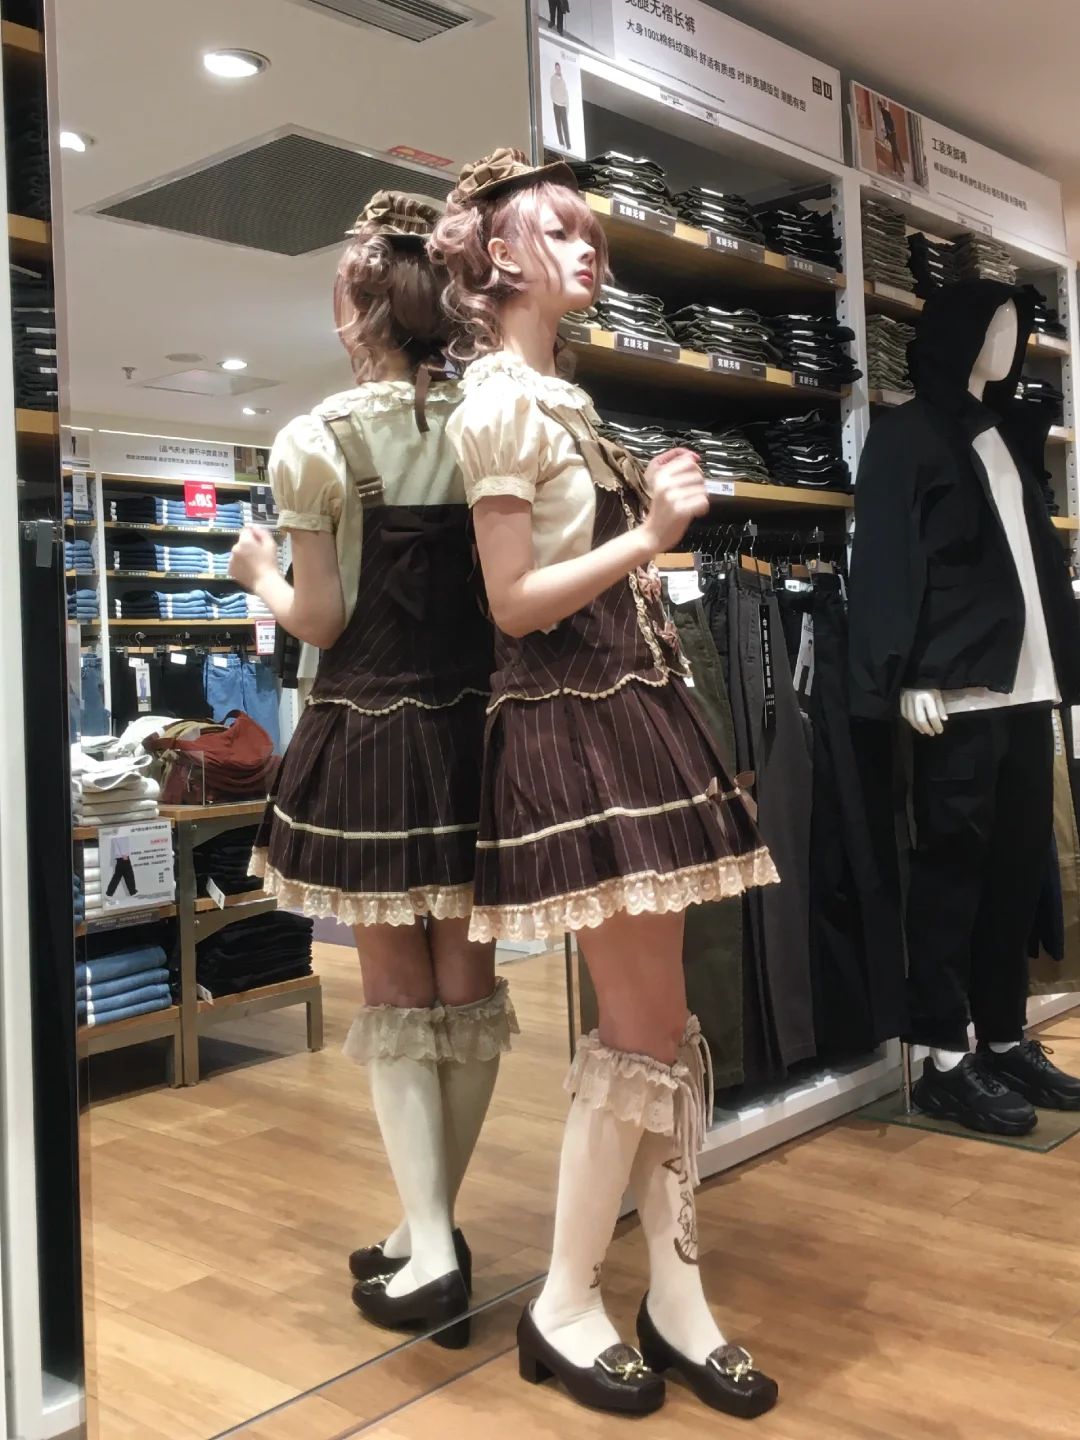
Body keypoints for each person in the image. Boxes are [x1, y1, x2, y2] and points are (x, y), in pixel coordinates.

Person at [431, 149, 780, 1418]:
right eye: (563, 231)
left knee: (661, 1022)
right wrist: (649, 535)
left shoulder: (559, 400)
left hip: (626, 709)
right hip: (574, 725)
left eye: (594, 234)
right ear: (502, 255)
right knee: (642, 1025)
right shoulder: (496, 407)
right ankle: (571, 1297)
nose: (590, 251)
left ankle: (668, 1294)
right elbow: (512, 603)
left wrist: (646, 539)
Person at [228, 190, 514, 1349]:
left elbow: (322, 620)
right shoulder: (484, 422)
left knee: (396, 992)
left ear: (358, 311)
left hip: (373, 734)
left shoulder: (318, 440)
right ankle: (423, 1223)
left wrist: (256, 574)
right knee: (469, 991)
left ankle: (431, 1248)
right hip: (481, 729)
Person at [550, 62, 571, 150]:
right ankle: (561, 143)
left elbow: (565, 93)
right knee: (558, 125)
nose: (558, 69)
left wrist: (565, 104)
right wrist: (554, 100)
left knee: (565, 126)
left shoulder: (563, 80)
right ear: (555, 68)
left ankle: (568, 145)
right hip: (556, 104)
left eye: (559, 68)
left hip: (562, 105)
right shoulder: (552, 79)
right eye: (556, 68)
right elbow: (551, 90)